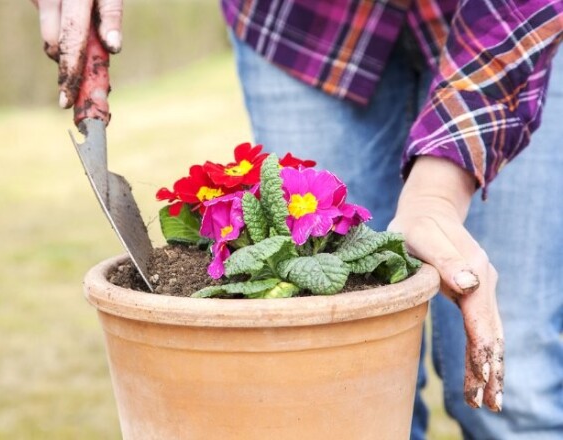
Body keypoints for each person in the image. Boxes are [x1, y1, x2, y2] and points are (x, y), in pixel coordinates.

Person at [31, 0, 563, 438]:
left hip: (507, 27)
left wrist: (437, 196)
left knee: (517, 386)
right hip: (305, 21)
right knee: (337, 391)